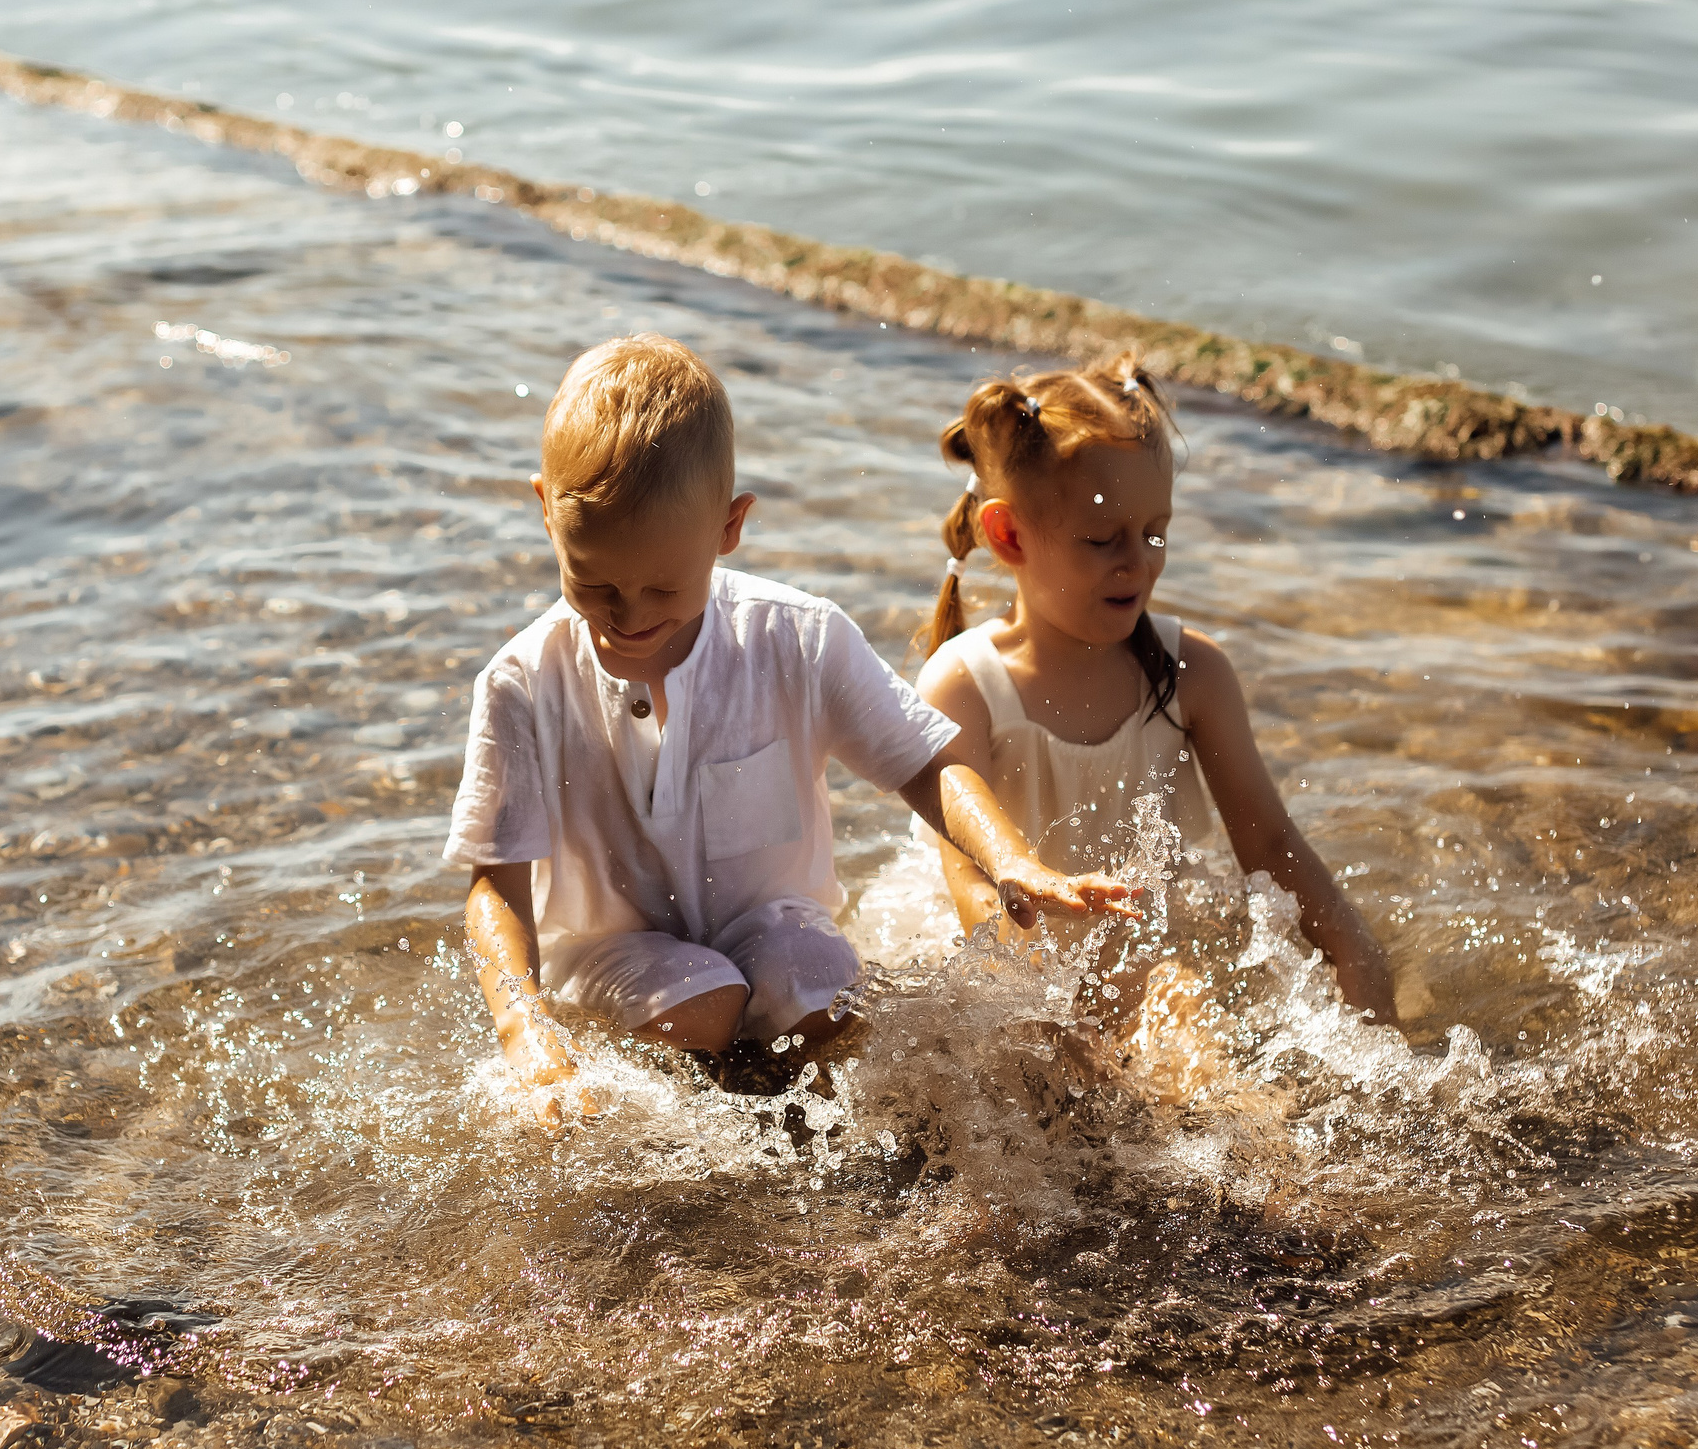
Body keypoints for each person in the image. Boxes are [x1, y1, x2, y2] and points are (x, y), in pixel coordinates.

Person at [449, 334, 1138, 1127]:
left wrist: (1011, 858)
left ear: (729, 526)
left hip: (776, 931)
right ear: (546, 509)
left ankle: (802, 1124)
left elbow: (928, 764)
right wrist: (523, 1026)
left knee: (822, 985)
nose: (628, 616)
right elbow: (496, 883)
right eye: (593, 581)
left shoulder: (796, 637)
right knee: (704, 1000)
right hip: (611, 957)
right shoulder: (522, 680)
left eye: (663, 588)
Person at [913, 352, 1397, 1027]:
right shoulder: (964, 685)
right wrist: (1046, 1011)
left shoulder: (1191, 672)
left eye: (1155, 533)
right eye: (1102, 539)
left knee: (1177, 998)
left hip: (1152, 957)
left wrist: (1353, 948)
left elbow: (1269, 843)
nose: (1138, 562)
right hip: (1011, 963)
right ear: (1009, 534)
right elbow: (970, 881)